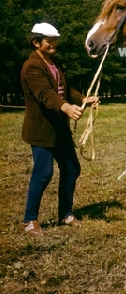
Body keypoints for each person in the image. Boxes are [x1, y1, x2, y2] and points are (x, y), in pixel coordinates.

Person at [20, 22, 98, 236]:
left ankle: (66, 214)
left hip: (60, 130)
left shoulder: (56, 62)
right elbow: (45, 94)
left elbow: (66, 89)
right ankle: (29, 221)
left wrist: (84, 99)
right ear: (36, 42)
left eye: (55, 40)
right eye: (49, 40)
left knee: (72, 169)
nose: (54, 43)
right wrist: (65, 107)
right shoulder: (32, 66)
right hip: (42, 130)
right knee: (43, 174)